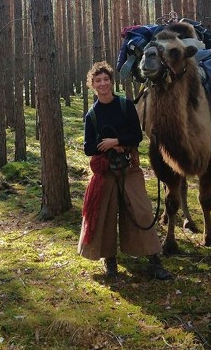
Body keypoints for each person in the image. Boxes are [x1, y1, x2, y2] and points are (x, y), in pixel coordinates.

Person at [78, 61, 173, 280]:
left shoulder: (125, 106)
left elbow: (136, 136)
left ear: (111, 81)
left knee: (141, 211)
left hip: (129, 167)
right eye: (98, 80)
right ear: (92, 84)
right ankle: (109, 261)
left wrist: (118, 142)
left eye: (106, 79)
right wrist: (106, 146)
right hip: (106, 172)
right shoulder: (91, 115)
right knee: (106, 215)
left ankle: (153, 259)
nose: (102, 84)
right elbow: (88, 147)